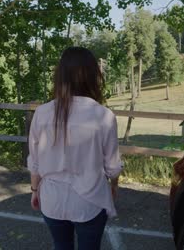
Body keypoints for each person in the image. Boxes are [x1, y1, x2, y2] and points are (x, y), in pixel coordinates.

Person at [27, 47, 123, 250]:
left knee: (61, 246)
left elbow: (34, 163)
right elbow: (113, 167)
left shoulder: (42, 113)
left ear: (60, 76)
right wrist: (113, 186)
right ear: (93, 76)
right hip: (90, 201)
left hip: (52, 199)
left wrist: (34, 190)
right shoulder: (103, 115)